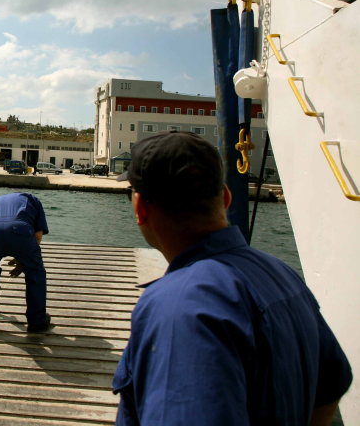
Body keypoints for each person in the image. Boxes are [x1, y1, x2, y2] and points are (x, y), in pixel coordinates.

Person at [114, 132, 352, 425]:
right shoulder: (281, 274)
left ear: (140, 209)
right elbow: (330, 387)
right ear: (225, 198)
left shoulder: (181, 307)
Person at [0, 192, 51, 336]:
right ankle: (37, 321)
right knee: (35, 273)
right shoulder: (34, 201)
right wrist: (24, 260)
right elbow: (37, 236)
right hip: (20, 232)